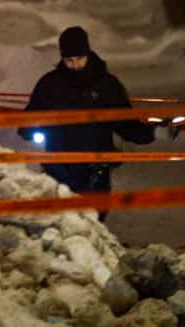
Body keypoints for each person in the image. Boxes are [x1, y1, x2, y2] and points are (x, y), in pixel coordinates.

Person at [18, 26, 163, 220]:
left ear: (88, 53)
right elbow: (29, 120)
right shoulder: (49, 85)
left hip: (95, 173)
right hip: (58, 173)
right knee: (61, 226)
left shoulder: (106, 86)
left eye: (79, 58)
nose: (75, 65)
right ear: (62, 58)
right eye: (69, 60)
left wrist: (153, 132)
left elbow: (125, 124)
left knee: (93, 224)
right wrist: (30, 128)